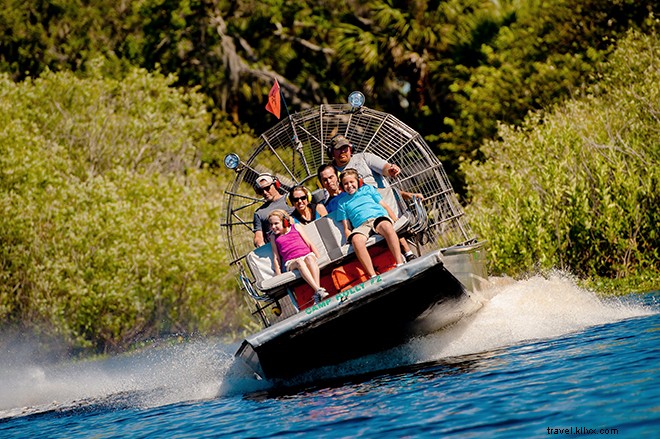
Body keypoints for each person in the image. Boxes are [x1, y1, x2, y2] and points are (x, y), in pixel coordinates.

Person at [328, 135, 420, 261]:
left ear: (351, 148)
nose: (343, 152)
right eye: (338, 149)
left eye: (345, 148)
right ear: (331, 152)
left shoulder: (364, 157)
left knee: (384, 213)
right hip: (356, 208)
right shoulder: (330, 172)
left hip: (380, 199)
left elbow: (386, 168)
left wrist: (391, 170)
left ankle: (407, 253)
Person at [336, 168, 405, 278]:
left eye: (352, 182)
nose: (349, 186)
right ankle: (372, 275)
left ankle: (400, 262)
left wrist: (394, 219)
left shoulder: (368, 189)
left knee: (387, 226)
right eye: (346, 184)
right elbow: (346, 226)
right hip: (361, 226)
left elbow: (385, 206)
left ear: (358, 181)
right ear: (342, 186)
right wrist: (349, 238)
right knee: (357, 240)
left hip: (377, 218)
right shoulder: (342, 202)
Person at [268, 209, 329, 304]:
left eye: (276, 223)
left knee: (309, 259)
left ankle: (317, 291)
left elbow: (309, 243)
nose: (273, 227)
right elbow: (276, 257)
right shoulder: (274, 237)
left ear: (284, 221)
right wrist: (278, 273)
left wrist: (318, 256)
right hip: (292, 261)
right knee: (300, 262)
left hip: (307, 255)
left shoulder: (296, 227)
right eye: (271, 225)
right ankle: (317, 289)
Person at [253, 173, 294, 247]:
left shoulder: (292, 199)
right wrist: (259, 243)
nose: (265, 192)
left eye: (267, 188)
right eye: (261, 191)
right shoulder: (259, 213)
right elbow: (258, 236)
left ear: (276, 185)